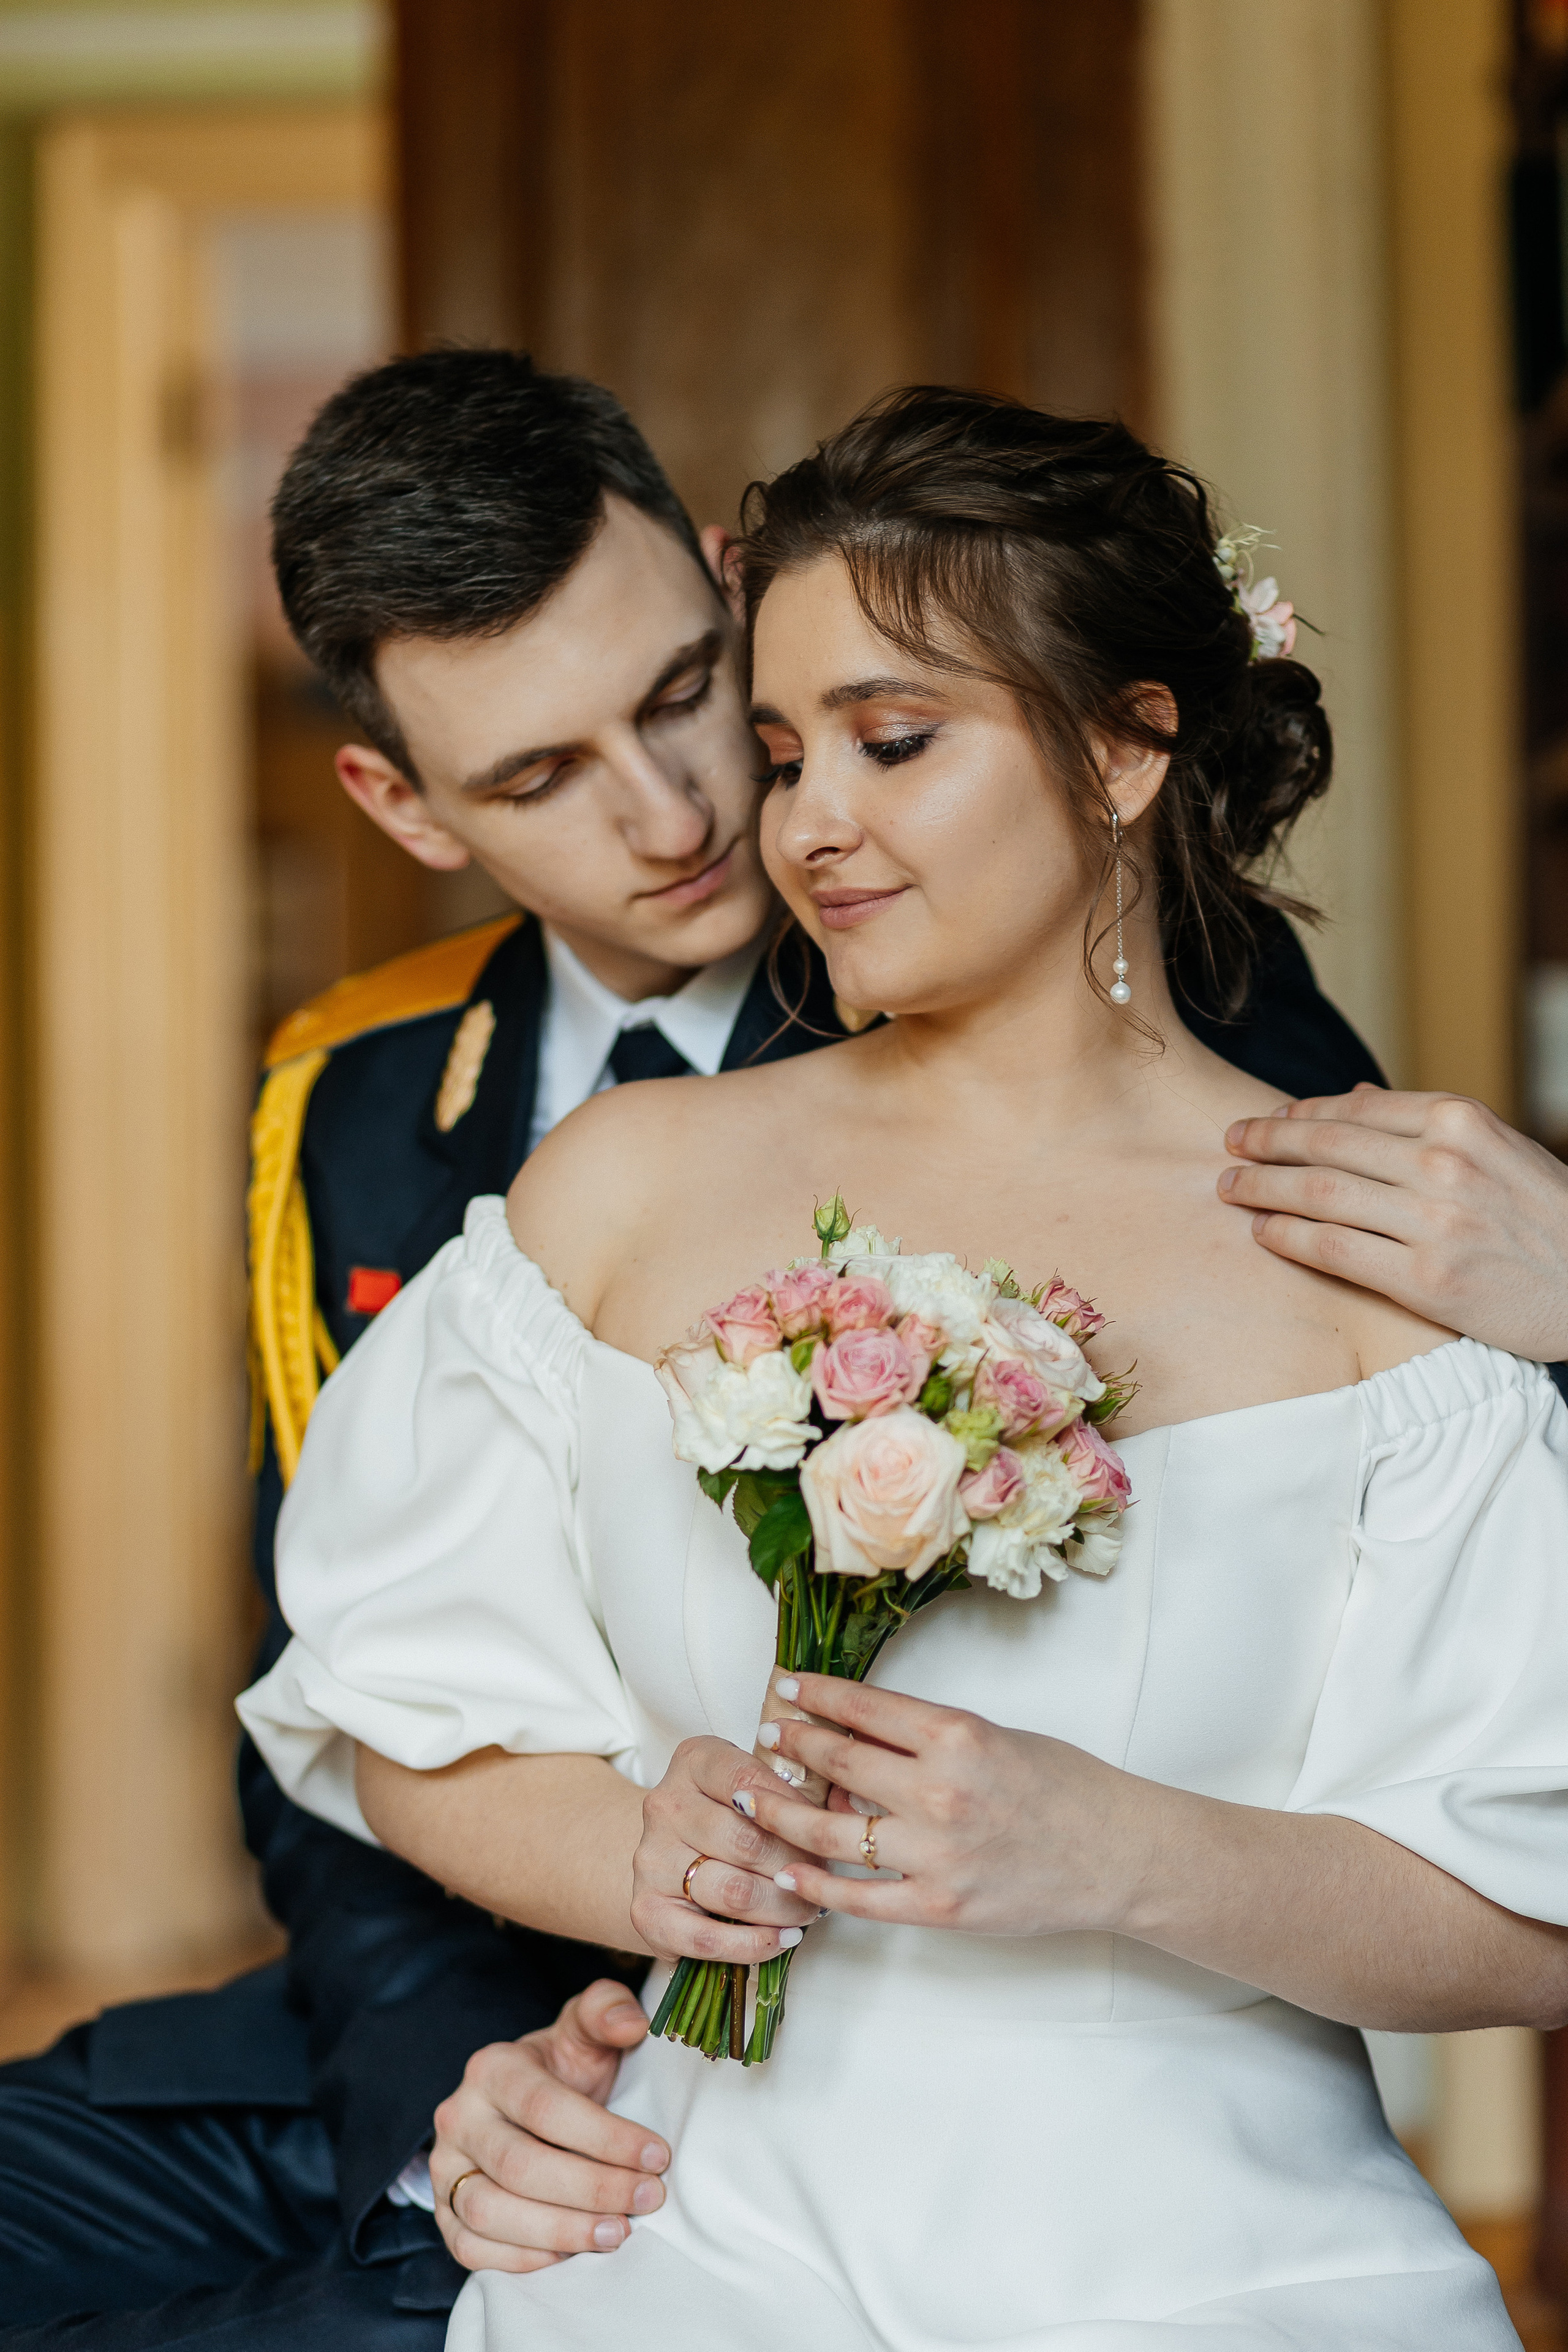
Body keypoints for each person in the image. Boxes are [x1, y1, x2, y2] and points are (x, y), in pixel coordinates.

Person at [0, 354, 1380, 2348]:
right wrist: (457, 2105)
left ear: (731, 585)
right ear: (399, 802)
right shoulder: (356, 1096)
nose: (675, 815)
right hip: (448, 2036)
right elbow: (346, 1675)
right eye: (539, 777)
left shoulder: (1073, 989)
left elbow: (1410, 1467)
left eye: (674, 697)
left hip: (860, 2054)